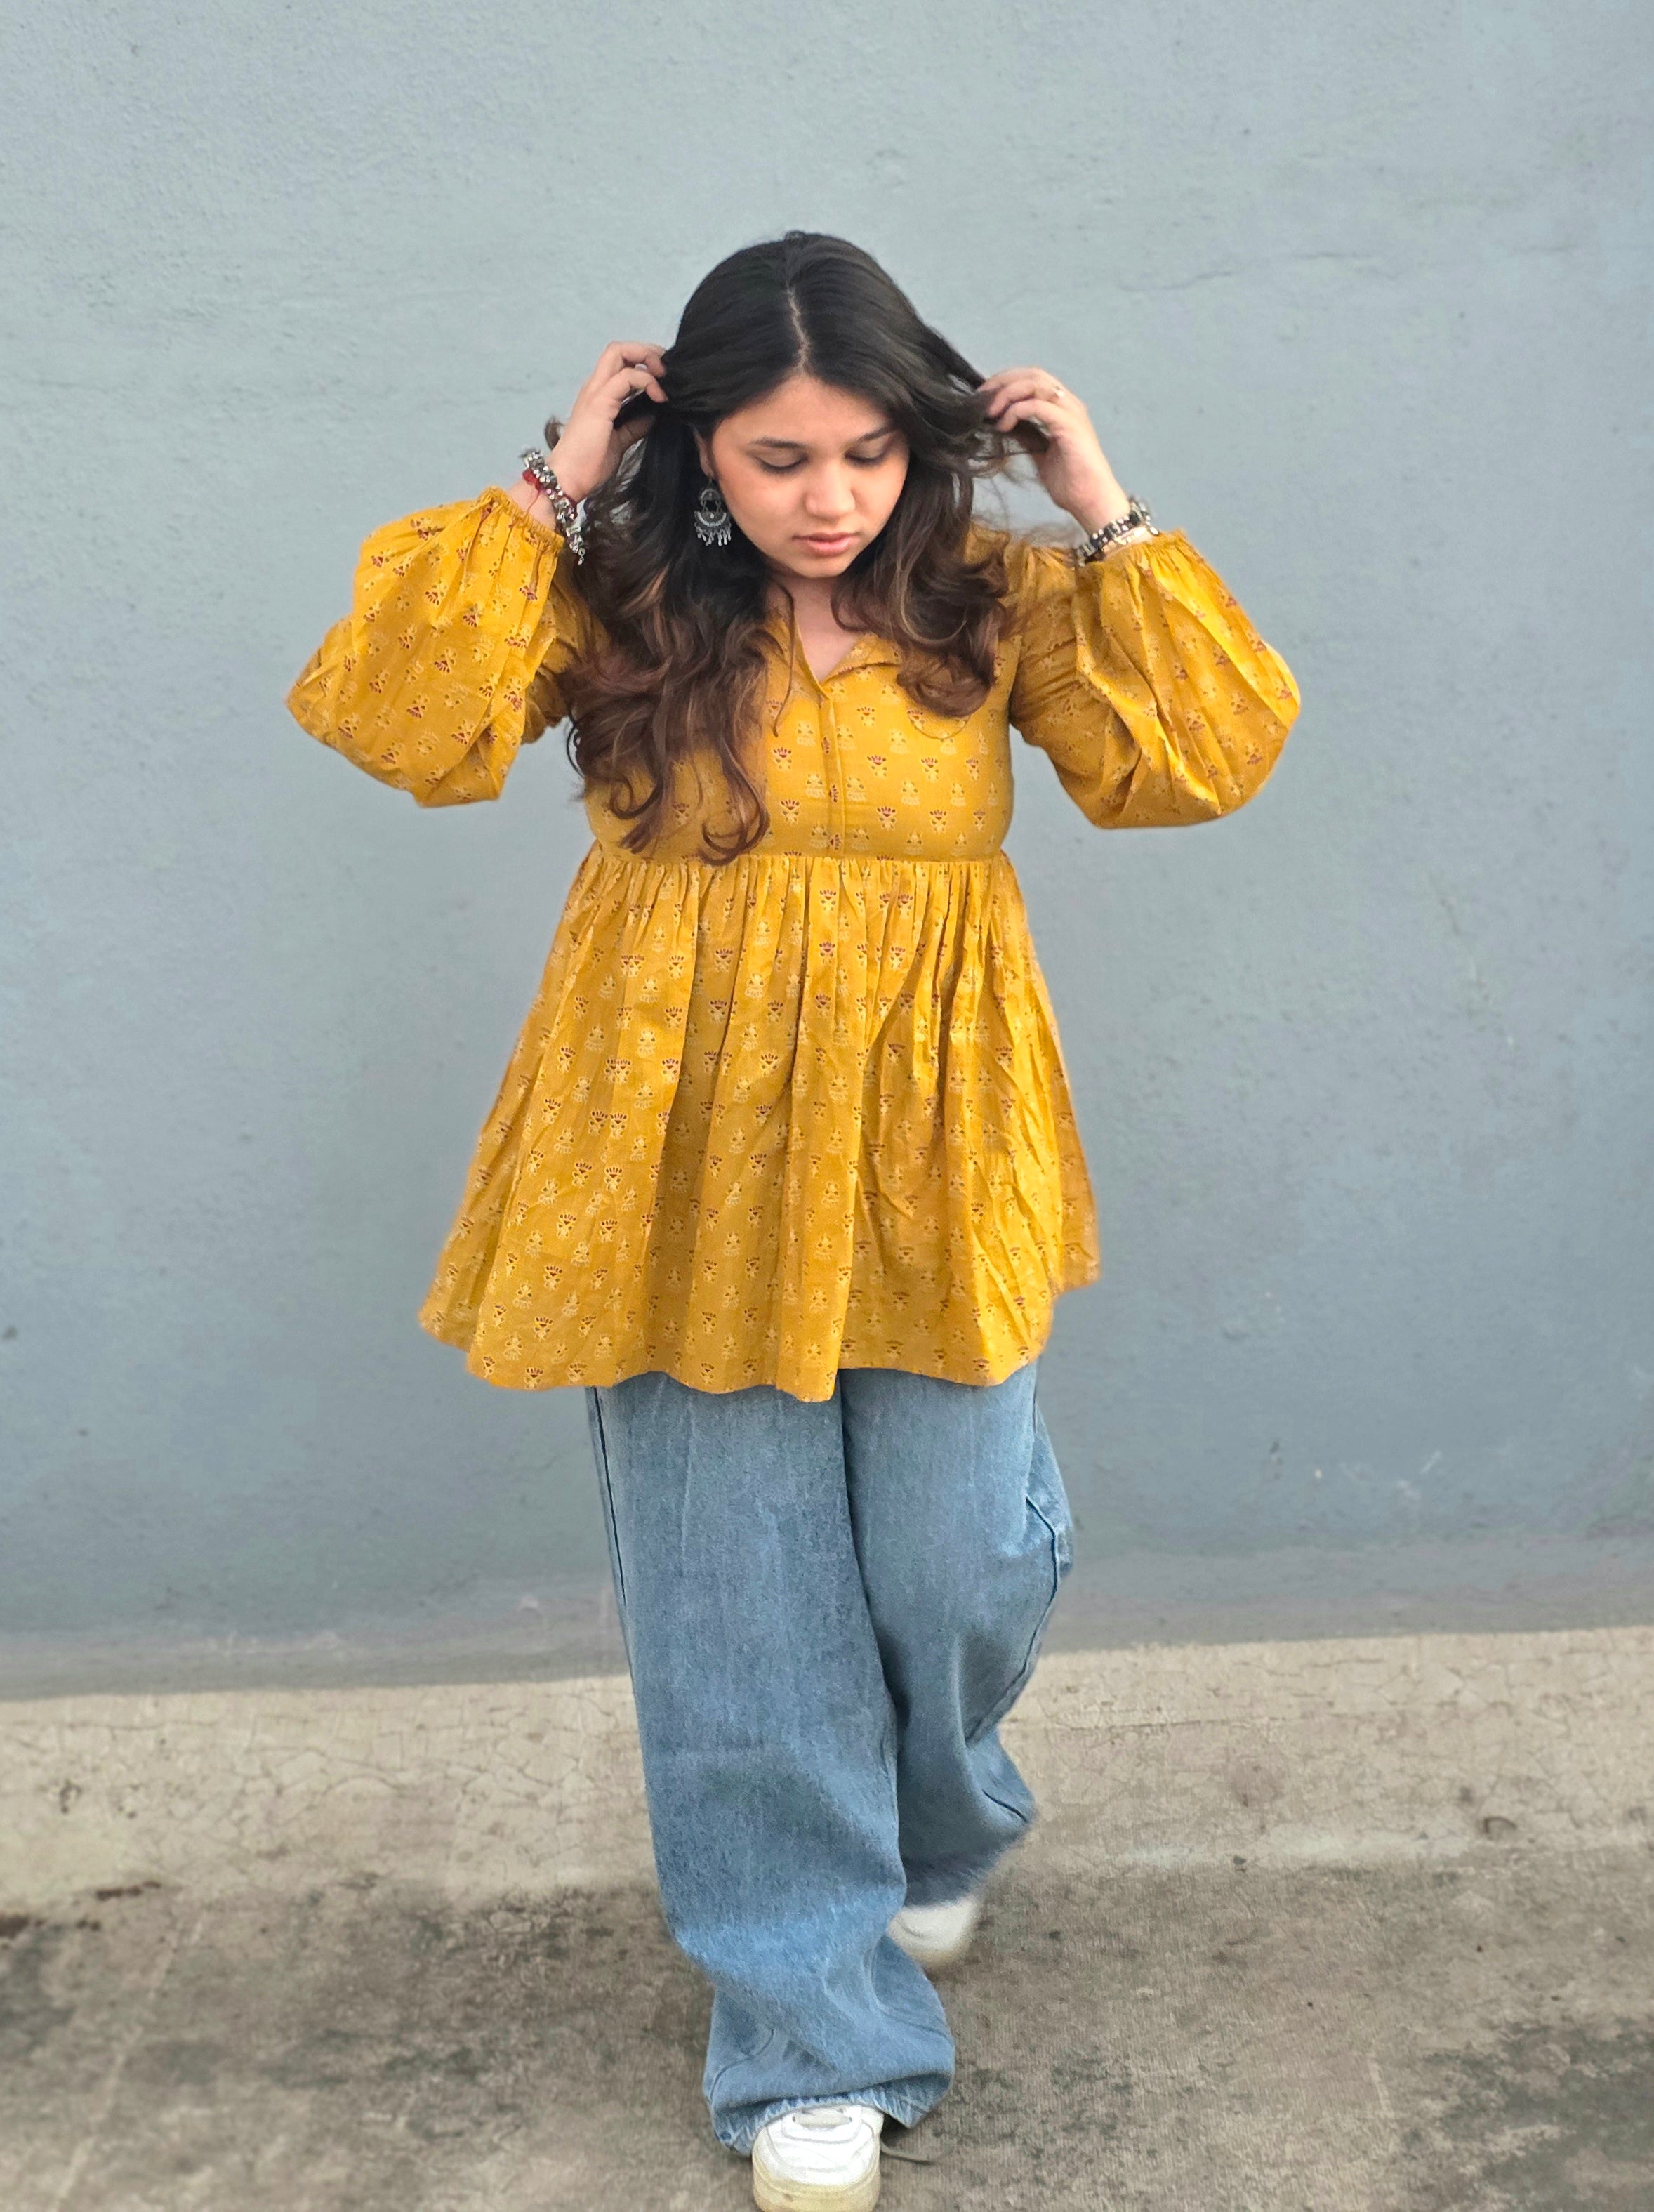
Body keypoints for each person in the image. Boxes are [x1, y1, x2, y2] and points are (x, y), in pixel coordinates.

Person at [287, 228, 1300, 2211]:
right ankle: (805, 2033)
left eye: (863, 454)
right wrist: (551, 486)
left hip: (932, 1130)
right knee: (737, 1613)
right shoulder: (618, 595)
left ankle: (936, 1825)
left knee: (954, 1565)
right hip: (661, 1137)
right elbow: (398, 723)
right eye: (773, 460)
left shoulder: (995, 600)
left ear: (925, 445)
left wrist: (1106, 517)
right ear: (702, 457)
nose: (826, 499)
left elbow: (1193, 767)